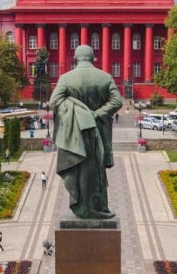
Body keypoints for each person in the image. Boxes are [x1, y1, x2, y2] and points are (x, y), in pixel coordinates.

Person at [49, 45, 124, 219]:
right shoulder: (105, 77)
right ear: (93, 58)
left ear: (75, 58)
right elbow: (117, 102)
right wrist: (96, 114)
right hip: (97, 130)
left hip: (75, 133)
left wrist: (75, 111)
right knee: (96, 169)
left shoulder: (66, 78)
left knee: (79, 168)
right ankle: (98, 207)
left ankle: (83, 206)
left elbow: (54, 103)